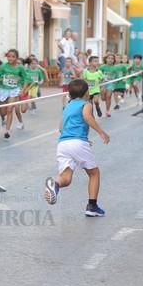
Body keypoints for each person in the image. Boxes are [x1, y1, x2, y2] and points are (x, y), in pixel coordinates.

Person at [43, 79, 110, 217]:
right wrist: (101, 132)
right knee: (94, 173)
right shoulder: (86, 104)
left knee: (66, 178)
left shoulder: (68, 105)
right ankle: (92, 206)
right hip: (77, 143)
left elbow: (61, 127)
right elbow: (87, 117)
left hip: (63, 144)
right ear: (87, 92)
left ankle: (55, 184)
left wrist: (77, 139)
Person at [0, 49, 28, 139]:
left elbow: (26, 79)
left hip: (14, 90)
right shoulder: (3, 67)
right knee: (3, 112)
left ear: (16, 57)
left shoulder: (20, 67)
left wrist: (23, 89)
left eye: (13, 56)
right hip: (3, 89)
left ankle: (7, 131)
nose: (10, 58)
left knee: (10, 109)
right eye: (9, 56)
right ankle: (3, 119)